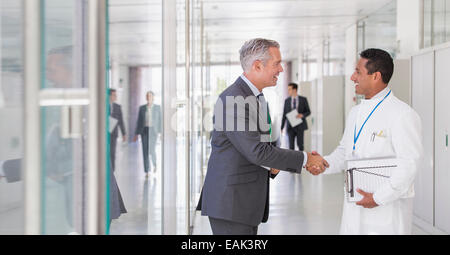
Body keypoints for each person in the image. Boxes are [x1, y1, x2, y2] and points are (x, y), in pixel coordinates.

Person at [196, 38, 329, 235]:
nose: (281, 69)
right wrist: (306, 158)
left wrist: (273, 165)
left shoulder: (254, 97)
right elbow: (257, 151)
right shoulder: (235, 99)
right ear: (258, 65)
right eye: (277, 63)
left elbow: (251, 146)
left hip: (243, 202)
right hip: (231, 203)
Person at [318, 48, 423, 234]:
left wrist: (379, 198)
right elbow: (345, 152)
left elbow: (409, 164)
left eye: (358, 72)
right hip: (355, 206)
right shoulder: (355, 112)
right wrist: (322, 164)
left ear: (376, 76)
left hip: (386, 211)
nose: (352, 77)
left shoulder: (402, 114)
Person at [133, 91, 162, 177]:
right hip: (144, 130)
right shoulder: (142, 108)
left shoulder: (157, 108)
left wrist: (161, 133)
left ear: (153, 97)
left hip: (154, 131)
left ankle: (155, 163)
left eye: (150, 96)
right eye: (147, 96)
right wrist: (136, 134)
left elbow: (160, 120)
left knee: (151, 149)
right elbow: (139, 121)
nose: (148, 98)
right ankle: (147, 171)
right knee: (145, 150)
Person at [281, 82, 311, 151]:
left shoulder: (303, 99)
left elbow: (308, 111)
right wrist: (282, 127)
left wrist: (302, 115)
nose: (288, 91)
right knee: (291, 146)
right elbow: (284, 114)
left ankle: (302, 160)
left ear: (294, 90)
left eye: (289, 89)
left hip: (300, 125)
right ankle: (293, 161)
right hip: (290, 126)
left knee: (300, 145)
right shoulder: (287, 101)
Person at [109, 89, 127, 172]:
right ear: (109, 96)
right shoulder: (103, 106)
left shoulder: (117, 107)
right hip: (104, 134)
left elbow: (121, 121)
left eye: (116, 95)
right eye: (114, 95)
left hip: (113, 133)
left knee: (112, 153)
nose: (115, 97)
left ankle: (112, 170)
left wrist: (124, 134)